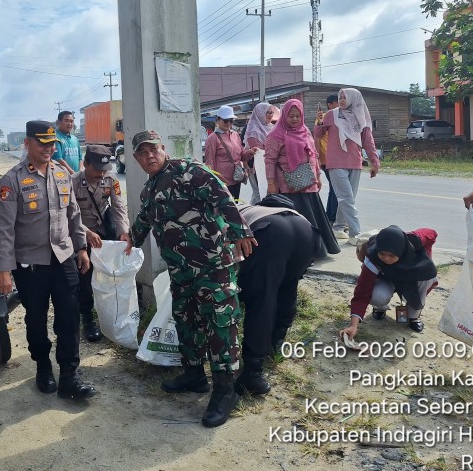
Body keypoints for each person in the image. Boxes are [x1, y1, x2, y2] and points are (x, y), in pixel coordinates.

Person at [123, 130, 257, 428]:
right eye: (143, 153)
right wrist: (131, 239)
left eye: (153, 150)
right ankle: (194, 374)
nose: (149, 156)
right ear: (136, 159)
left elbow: (223, 197)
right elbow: (145, 218)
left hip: (213, 267)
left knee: (220, 323)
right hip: (180, 269)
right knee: (186, 319)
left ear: (163, 149)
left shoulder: (189, 171)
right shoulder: (150, 189)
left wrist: (241, 231)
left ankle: (225, 390)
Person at [0, 120, 96, 400]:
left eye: (52, 143)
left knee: (69, 317)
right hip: (31, 264)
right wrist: (3, 269)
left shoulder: (62, 174)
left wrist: (81, 249)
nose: (49, 148)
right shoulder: (11, 181)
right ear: (27, 144)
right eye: (42, 143)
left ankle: (69, 376)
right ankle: (42, 366)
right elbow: (3, 229)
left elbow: (73, 215)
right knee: (36, 319)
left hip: (63, 257)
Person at [234, 197, 318, 395]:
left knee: (261, 301)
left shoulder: (240, 209)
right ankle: (275, 343)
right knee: (287, 286)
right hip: (307, 231)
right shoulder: (283, 212)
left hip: (271, 234)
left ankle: (253, 374)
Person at [265, 99, 339, 258]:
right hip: (288, 185)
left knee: (313, 218)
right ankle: (300, 254)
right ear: (284, 116)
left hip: (308, 183)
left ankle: (318, 250)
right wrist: (271, 183)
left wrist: (318, 176)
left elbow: (313, 155)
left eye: (298, 116)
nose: (294, 119)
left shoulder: (305, 131)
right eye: (291, 116)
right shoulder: (275, 135)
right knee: (296, 221)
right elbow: (269, 160)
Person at [72, 144, 130, 342]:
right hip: (81, 235)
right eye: (96, 169)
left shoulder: (110, 180)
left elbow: (119, 206)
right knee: (85, 280)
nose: (101, 173)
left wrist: (123, 232)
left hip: (105, 234)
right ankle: (87, 318)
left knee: (109, 276)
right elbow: (67, 215)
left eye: (104, 169)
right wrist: (86, 232)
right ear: (85, 163)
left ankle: (110, 315)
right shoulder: (72, 183)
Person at [340, 226, 438, 338]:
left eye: (391, 255)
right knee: (377, 296)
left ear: (401, 251)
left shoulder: (414, 241)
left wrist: (426, 253)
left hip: (410, 273)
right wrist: (353, 326)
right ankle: (379, 308)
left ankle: (413, 316)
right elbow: (361, 293)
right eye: (382, 254)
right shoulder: (372, 257)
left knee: (427, 278)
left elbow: (432, 233)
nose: (386, 259)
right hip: (385, 278)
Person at [313, 88, 380, 240]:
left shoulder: (360, 115)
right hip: (335, 163)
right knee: (346, 198)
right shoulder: (332, 114)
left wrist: (375, 162)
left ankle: (338, 227)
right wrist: (319, 122)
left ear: (354, 99)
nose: (342, 100)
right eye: (340, 97)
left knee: (349, 198)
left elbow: (368, 141)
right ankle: (355, 234)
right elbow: (318, 135)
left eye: (344, 97)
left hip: (355, 162)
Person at [204, 105, 255, 199]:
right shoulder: (212, 138)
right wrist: (215, 181)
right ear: (218, 120)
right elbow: (209, 162)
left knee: (235, 206)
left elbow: (241, 155)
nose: (228, 123)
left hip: (236, 178)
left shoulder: (235, 135)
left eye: (231, 120)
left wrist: (250, 152)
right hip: (222, 182)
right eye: (226, 120)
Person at [243, 102, 278, 204]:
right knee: (259, 192)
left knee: (261, 192)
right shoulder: (253, 130)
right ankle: (258, 215)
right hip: (256, 166)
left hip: (269, 164)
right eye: (267, 113)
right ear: (260, 113)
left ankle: (252, 211)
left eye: (271, 112)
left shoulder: (272, 127)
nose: (270, 115)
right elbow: (258, 150)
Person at [314, 94, 339, 224]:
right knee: (335, 188)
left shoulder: (337, 117)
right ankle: (331, 216)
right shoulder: (323, 118)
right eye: (337, 102)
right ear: (330, 104)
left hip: (334, 158)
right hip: (326, 158)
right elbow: (317, 138)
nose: (339, 105)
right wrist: (317, 157)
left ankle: (330, 215)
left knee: (334, 188)